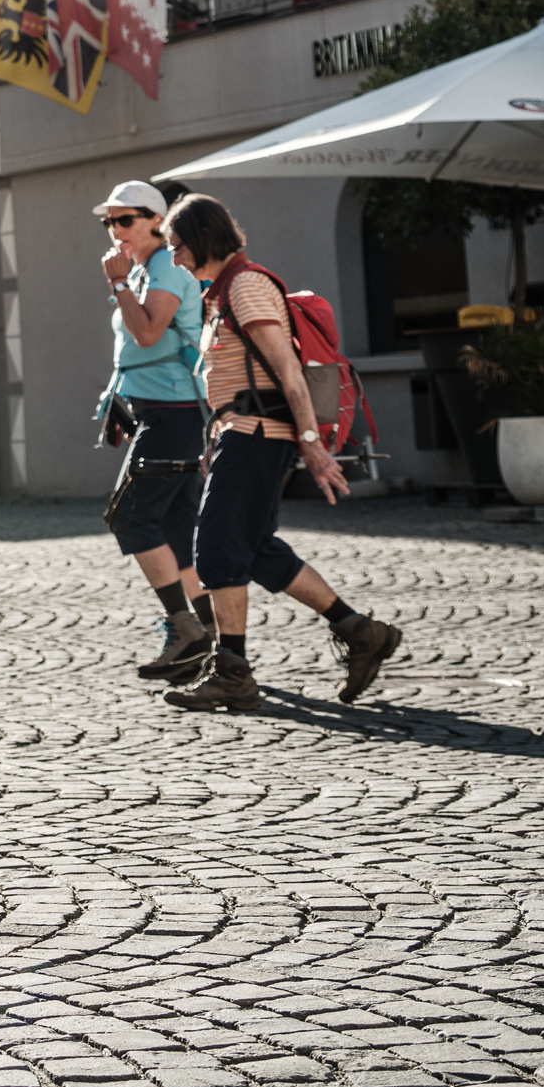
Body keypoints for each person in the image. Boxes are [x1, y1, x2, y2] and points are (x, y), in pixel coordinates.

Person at [158, 193, 403, 717]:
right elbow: (236, 377)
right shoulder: (221, 292)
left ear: (202, 239)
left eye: (178, 246)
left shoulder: (246, 286)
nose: (175, 258)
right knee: (256, 548)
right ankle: (363, 633)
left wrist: (313, 447)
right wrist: (216, 436)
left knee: (216, 551)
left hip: (257, 437)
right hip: (240, 435)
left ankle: (233, 674)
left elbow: (288, 372)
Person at [90, 180, 216, 681]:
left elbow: (147, 332)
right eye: (109, 222)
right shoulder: (147, 269)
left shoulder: (164, 267)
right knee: (177, 532)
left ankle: (185, 628)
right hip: (156, 410)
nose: (115, 230)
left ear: (155, 222)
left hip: (173, 412)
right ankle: (211, 644)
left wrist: (118, 285)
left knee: (132, 520)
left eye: (124, 220)